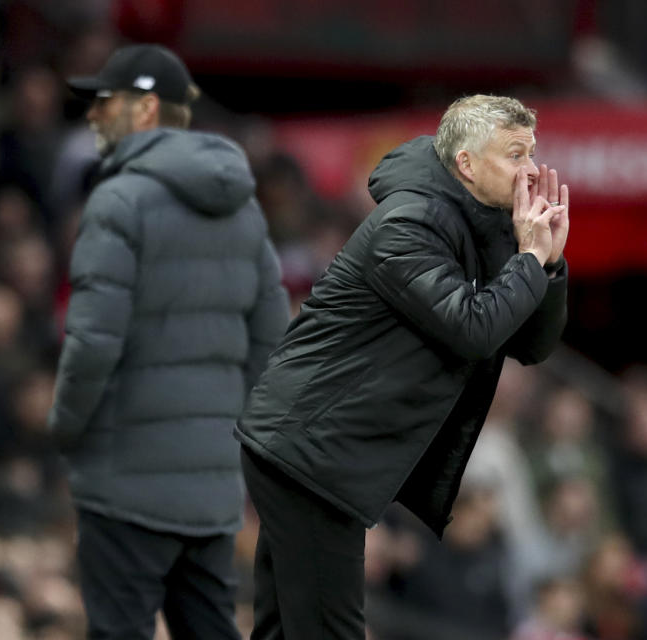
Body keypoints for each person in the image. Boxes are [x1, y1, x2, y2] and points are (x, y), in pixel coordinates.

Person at [236, 94, 570, 639]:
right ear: (466, 164)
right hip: (311, 450)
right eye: (515, 154)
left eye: (532, 153)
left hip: (321, 449)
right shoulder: (408, 222)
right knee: (331, 630)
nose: (530, 170)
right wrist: (528, 260)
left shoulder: (480, 224)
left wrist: (548, 264)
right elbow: (475, 330)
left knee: (283, 629)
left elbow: (530, 345)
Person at [47, 44, 289, 639]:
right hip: (209, 489)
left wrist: (65, 426)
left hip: (124, 479)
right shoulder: (244, 209)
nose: (94, 116)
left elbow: (92, 342)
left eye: (107, 102)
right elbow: (272, 346)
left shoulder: (119, 199)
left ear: (147, 108)